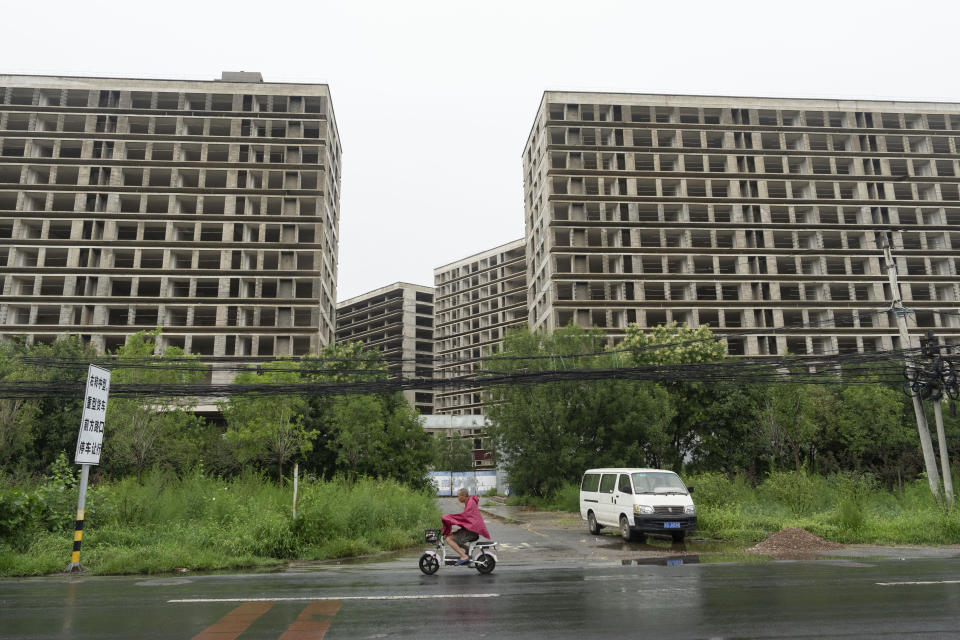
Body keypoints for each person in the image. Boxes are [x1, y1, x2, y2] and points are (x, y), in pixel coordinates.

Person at [441, 488, 490, 565]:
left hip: (472, 532)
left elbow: (465, 517)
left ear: (463, 496)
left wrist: (450, 518)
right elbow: (467, 519)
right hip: (472, 530)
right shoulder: (470, 502)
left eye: (458, 496)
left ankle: (464, 557)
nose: (458, 498)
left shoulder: (470, 503)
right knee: (452, 536)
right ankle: (467, 549)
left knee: (449, 539)